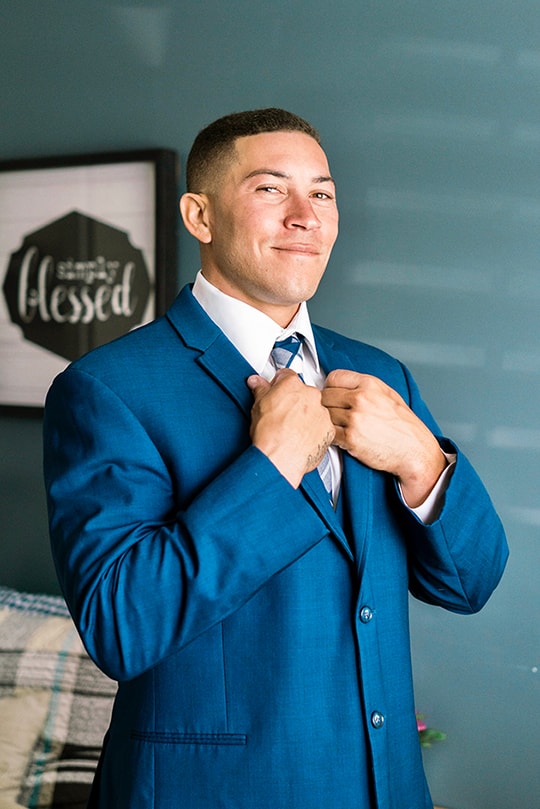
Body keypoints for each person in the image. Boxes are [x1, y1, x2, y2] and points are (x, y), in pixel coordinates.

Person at [43, 108, 508, 809]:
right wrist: (270, 467)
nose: (305, 215)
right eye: (270, 189)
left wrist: (420, 458)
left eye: (321, 193)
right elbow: (122, 626)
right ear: (199, 216)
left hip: (385, 790)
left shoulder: (381, 374)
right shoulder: (107, 390)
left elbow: (471, 581)